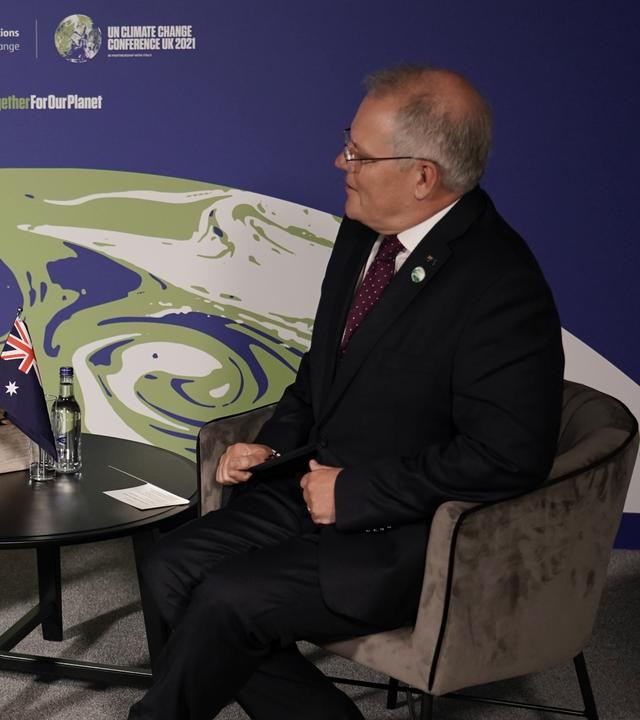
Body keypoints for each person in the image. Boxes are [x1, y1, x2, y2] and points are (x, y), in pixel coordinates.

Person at [129, 65, 564, 719]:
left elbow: (508, 456)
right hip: (308, 490)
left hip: (408, 535)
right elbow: (326, 365)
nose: (341, 162)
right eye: (347, 142)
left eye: (359, 153)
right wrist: (271, 443)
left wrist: (353, 493)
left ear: (424, 176)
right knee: (170, 567)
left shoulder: (501, 286)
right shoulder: (365, 230)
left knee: (226, 599)